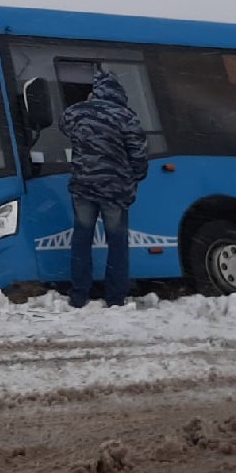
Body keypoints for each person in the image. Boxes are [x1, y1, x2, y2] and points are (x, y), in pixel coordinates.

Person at [57, 71, 148, 307]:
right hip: (115, 190)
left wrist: (88, 106)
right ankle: (115, 297)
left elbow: (63, 127)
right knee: (117, 244)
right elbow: (138, 154)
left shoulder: (76, 112)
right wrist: (135, 177)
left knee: (81, 241)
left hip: (83, 187)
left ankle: (79, 295)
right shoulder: (126, 117)